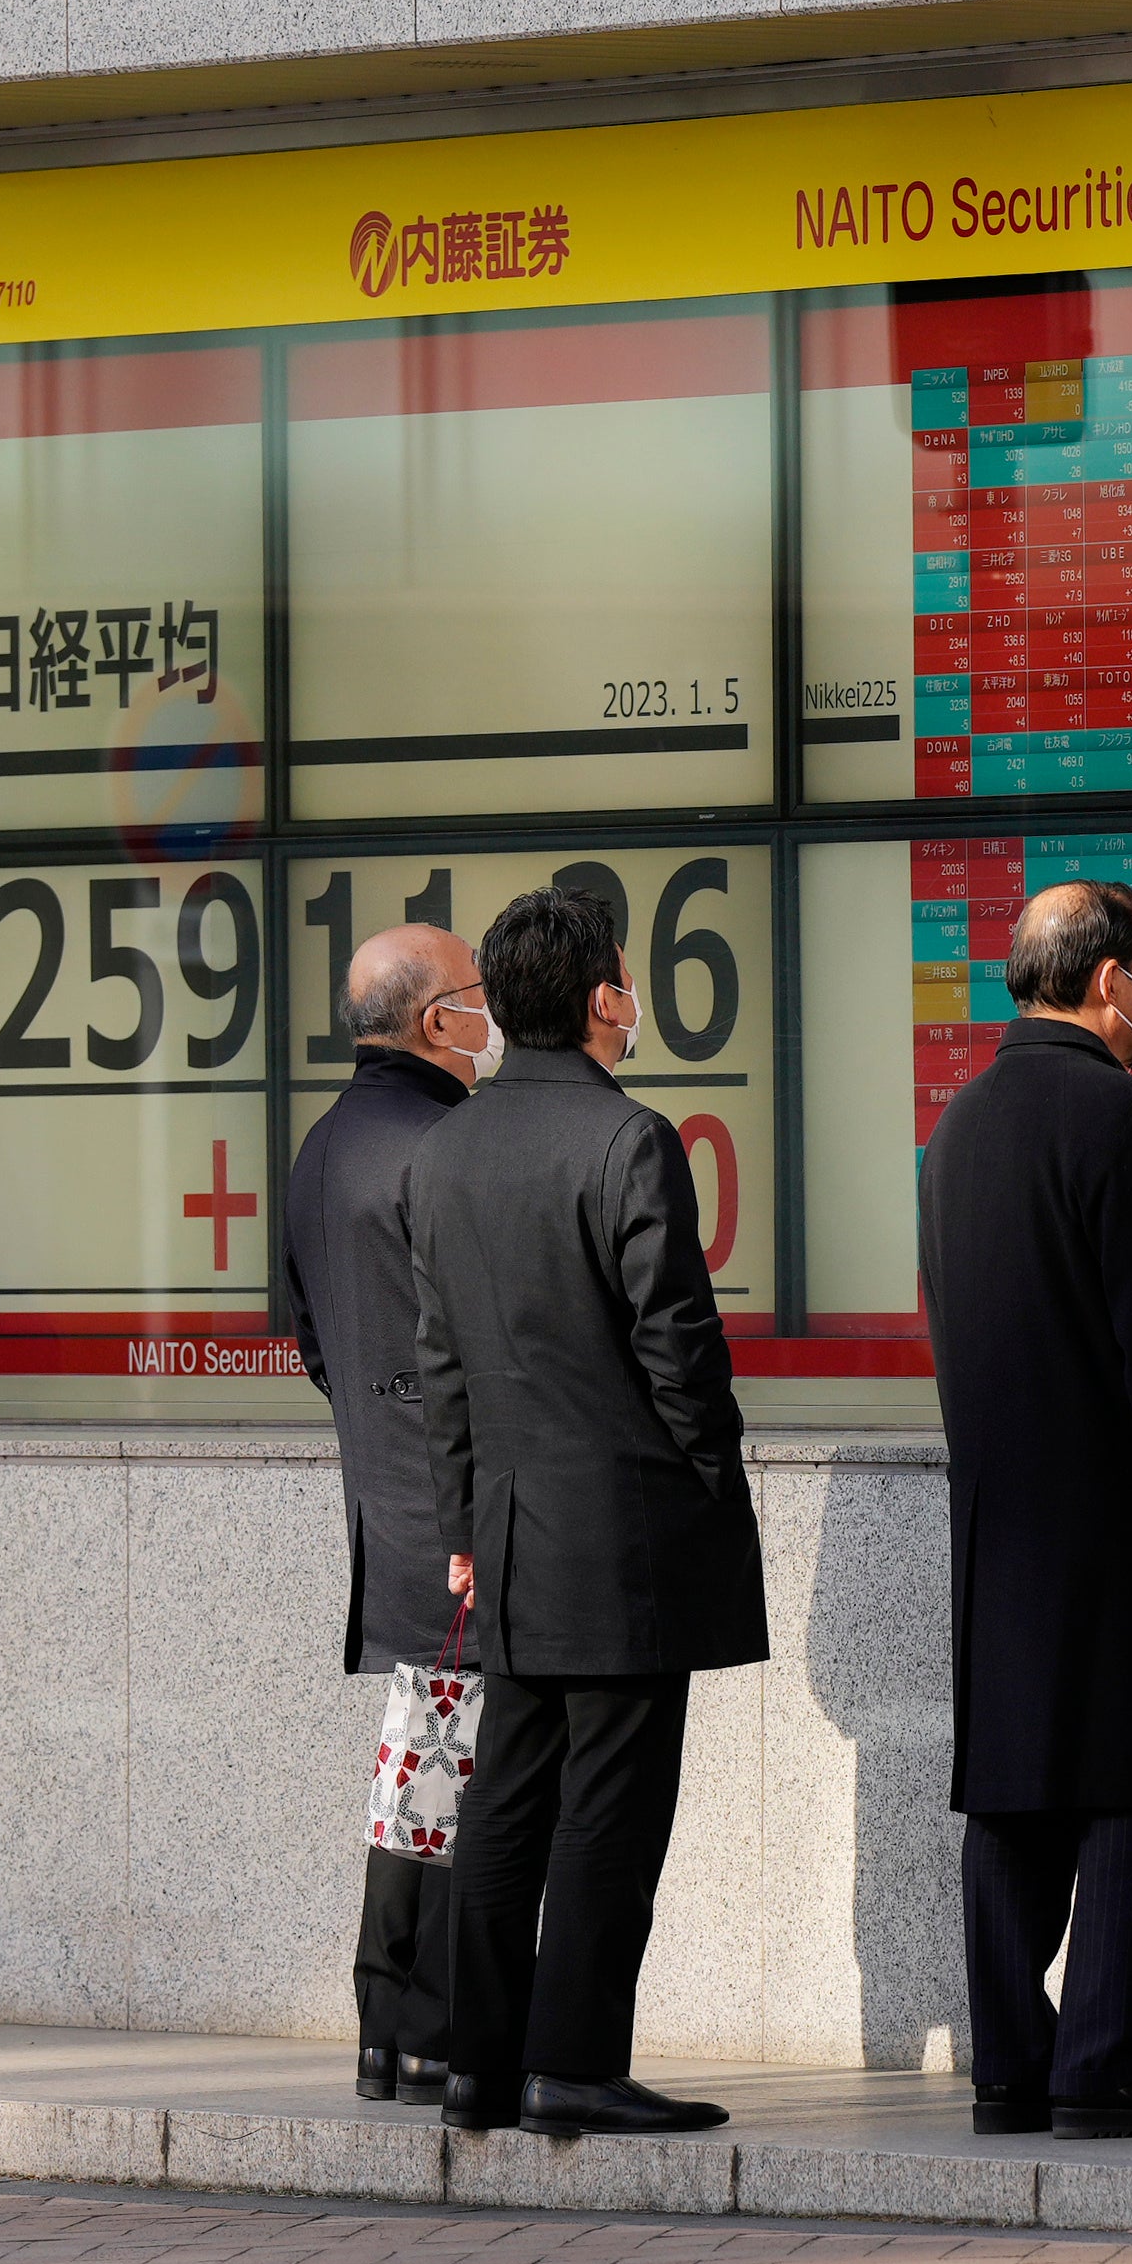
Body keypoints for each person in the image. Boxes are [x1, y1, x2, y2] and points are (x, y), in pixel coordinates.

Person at [401, 882, 768, 2139]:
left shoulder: (444, 1150)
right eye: (625, 979)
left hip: (504, 1530)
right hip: (627, 1538)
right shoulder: (628, 1141)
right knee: (613, 1805)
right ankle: (577, 2061)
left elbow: (440, 1366)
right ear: (604, 999)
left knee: (507, 1799)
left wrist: (460, 1522)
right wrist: (714, 1474)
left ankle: (475, 2067)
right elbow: (681, 1348)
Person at [917, 879, 1132, 2141]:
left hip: (1000, 1521)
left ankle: (1013, 2060)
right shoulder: (1124, 1120)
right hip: (1123, 1520)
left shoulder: (957, 1128)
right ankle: (1105, 2058)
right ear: (1109, 981)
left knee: (1015, 1788)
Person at [269, 922, 494, 2107]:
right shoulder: (448, 1146)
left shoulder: (320, 1148)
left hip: (388, 1502)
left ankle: (391, 2027)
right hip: (464, 1511)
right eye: (476, 996)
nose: (490, 1015)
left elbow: (306, 1338)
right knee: (464, 1772)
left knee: (425, 1765)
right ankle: (425, 2026)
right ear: (433, 1019)